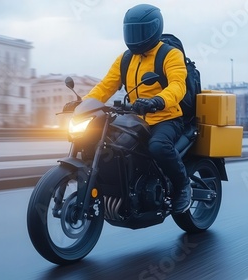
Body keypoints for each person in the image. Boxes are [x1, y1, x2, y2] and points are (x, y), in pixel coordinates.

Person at [81, 4, 191, 213]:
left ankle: (182, 186)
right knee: (97, 139)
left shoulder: (170, 54)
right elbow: (105, 87)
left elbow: (178, 85)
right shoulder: (125, 58)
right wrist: (83, 104)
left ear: (154, 29)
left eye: (140, 30)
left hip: (166, 117)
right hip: (135, 118)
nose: (135, 36)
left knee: (158, 147)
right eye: (131, 30)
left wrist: (157, 100)